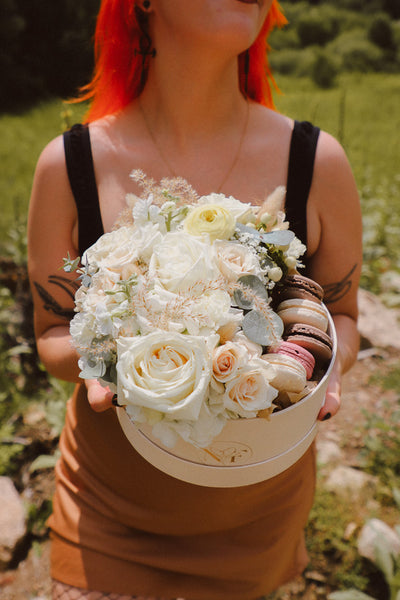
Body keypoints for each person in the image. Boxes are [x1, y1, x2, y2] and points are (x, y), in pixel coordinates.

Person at [27, 1, 362, 599]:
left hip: (259, 521)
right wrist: (101, 366)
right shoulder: (68, 165)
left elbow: (342, 316)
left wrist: (327, 367)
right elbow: (53, 332)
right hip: (109, 519)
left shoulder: (317, 161)